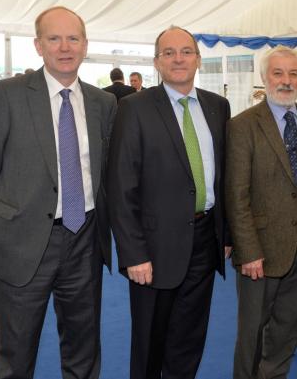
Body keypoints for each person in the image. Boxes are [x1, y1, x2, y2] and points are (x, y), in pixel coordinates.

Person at [0, 6, 116, 379]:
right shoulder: (7, 94)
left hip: (84, 240)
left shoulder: (103, 103)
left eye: (73, 38)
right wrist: (13, 210)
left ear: (85, 45)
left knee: (84, 349)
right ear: (38, 45)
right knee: (16, 354)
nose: (64, 47)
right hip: (21, 242)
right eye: (54, 38)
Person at [107, 25, 231, 379]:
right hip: (154, 248)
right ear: (156, 62)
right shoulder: (134, 109)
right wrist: (133, 253)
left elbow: (224, 174)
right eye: (169, 53)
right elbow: (121, 185)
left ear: (198, 59)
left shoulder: (217, 107)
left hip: (205, 242)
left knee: (189, 338)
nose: (178, 59)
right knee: (150, 341)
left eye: (186, 51)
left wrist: (226, 234)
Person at [226, 46, 297, 379]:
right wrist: (248, 250)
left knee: (287, 327)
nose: (286, 81)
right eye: (278, 73)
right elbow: (236, 195)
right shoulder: (243, 125)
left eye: (293, 74)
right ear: (265, 78)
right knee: (253, 331)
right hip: (260, 249)